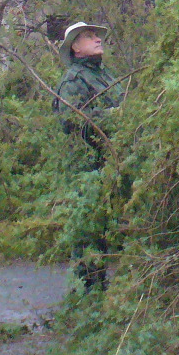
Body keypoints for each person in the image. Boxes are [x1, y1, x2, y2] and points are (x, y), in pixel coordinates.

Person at [54, 22, 123, 289]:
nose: (97, 39)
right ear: (75, 47)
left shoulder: (106, 75)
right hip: (87, 168)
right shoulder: (73, 80)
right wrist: (112, 117)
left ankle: (101, 294)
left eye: (97, 36)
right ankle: (86, 294)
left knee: (107, 230)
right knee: (88, 234)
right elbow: (71, 122)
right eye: (89, 36)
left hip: (111, 162)